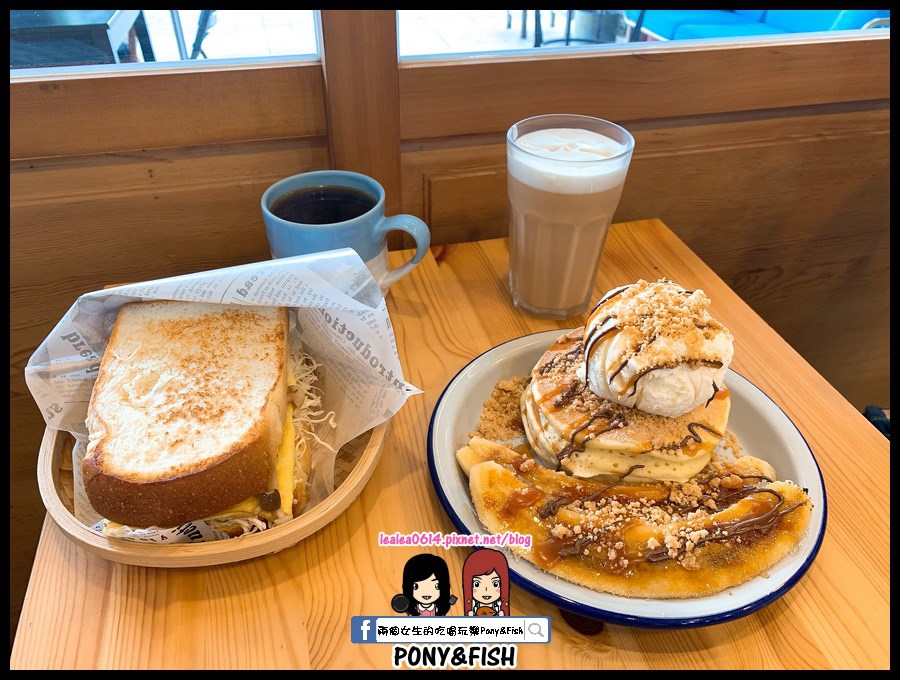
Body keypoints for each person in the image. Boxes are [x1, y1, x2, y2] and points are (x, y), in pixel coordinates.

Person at [462, 549, 510, 616]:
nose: (486, 589)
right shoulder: (472, 607)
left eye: (495, 584)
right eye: (477, 584)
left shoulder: (499, 607)